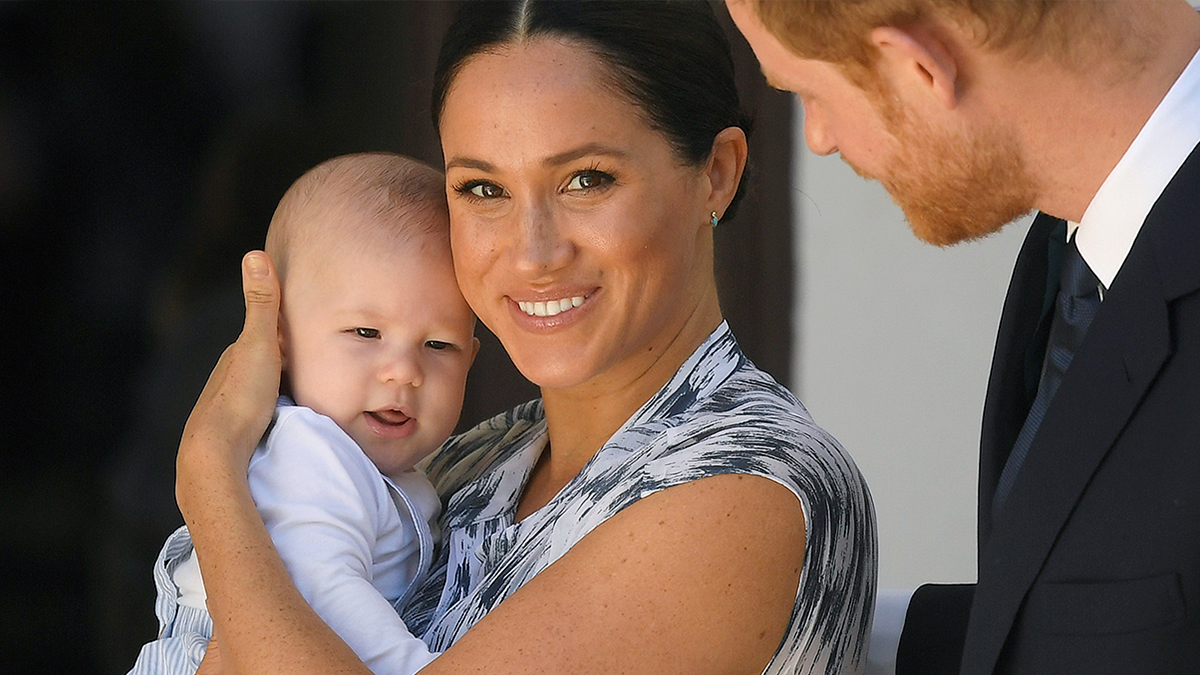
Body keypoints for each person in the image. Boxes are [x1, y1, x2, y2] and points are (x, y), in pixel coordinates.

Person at [170, 2, 877, 675]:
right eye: (483, 189)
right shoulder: (475, 459)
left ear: (716, 174)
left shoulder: (745, 488)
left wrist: (209, 470)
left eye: (586, 179)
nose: (532, 253)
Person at [724, 0, 1200, 673]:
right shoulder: (1077, 243)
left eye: (809, 93)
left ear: (919, 67)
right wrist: (803, 630)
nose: (819, 137)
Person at [129, 152, 478, 675]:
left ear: (472, 357)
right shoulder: (309, 454)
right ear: (281, 340)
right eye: (366, 333)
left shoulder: (384, 469)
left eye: (439, 344)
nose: (404, 371)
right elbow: (323, 594)